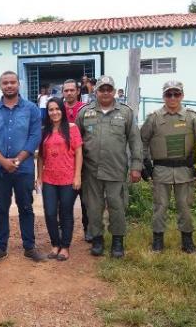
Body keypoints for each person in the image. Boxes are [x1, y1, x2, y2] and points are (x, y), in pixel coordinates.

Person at [0, 70, 46, 264]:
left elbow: (35, 136)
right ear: (0, 86)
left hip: (24, 168)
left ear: (18, 84)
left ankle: (29, 247)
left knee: (26, 207)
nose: (9, 86)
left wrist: (18, 160)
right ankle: (0, 247)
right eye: (5, 83)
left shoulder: (31, 109)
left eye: (12, 82)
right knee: (1, 208)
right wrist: (2, 160)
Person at [76, 75, 142, 258]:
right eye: (102, 89)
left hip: (116, 170)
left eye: (109, 89)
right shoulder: (84, 113)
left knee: (117, 206)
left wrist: (136, 165)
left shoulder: (126, 113)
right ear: (95, 91)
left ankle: (117, 242)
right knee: (93, 207)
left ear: (114, 91)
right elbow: (76, 142)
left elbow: (135, 140)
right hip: (91, 171)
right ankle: (97, 240)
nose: (105, 93)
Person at [140, 81, 196, 253]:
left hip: (185, 170)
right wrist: (145, 163)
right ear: (163, 96)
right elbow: (142, 141)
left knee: (185, 206)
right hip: (161, 170)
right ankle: (158, 241)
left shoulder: (192, 117)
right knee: (160, 206)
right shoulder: (154, 118)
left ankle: (187, 241)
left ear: (182, 95)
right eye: (168, 94)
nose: (172, 98)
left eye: (176, 94)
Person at [36, 97, 83, 261]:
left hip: (68, 178)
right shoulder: (44, 131)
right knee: (49, 213)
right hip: (49, 178)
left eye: (57, 109)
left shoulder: (72, 128)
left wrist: (77, 176)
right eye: (50, 110)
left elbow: (78, 152)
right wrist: (39, 177)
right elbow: (41, 156)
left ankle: (65, 246)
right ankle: (55, 244)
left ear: (62, 110)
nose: (54, 112)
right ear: (47, 112)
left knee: (65, 213)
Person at [61, 79, 90, 241]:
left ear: (78, 91)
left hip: (84, 159)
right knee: (64, 200)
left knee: (86, 198)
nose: (69, 93)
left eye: (72, 90)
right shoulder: (58, 109)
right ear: (63, 93)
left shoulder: (85, 109)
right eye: (66, 90)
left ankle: (88, 229)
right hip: (64, 161)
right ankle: (63, 231)